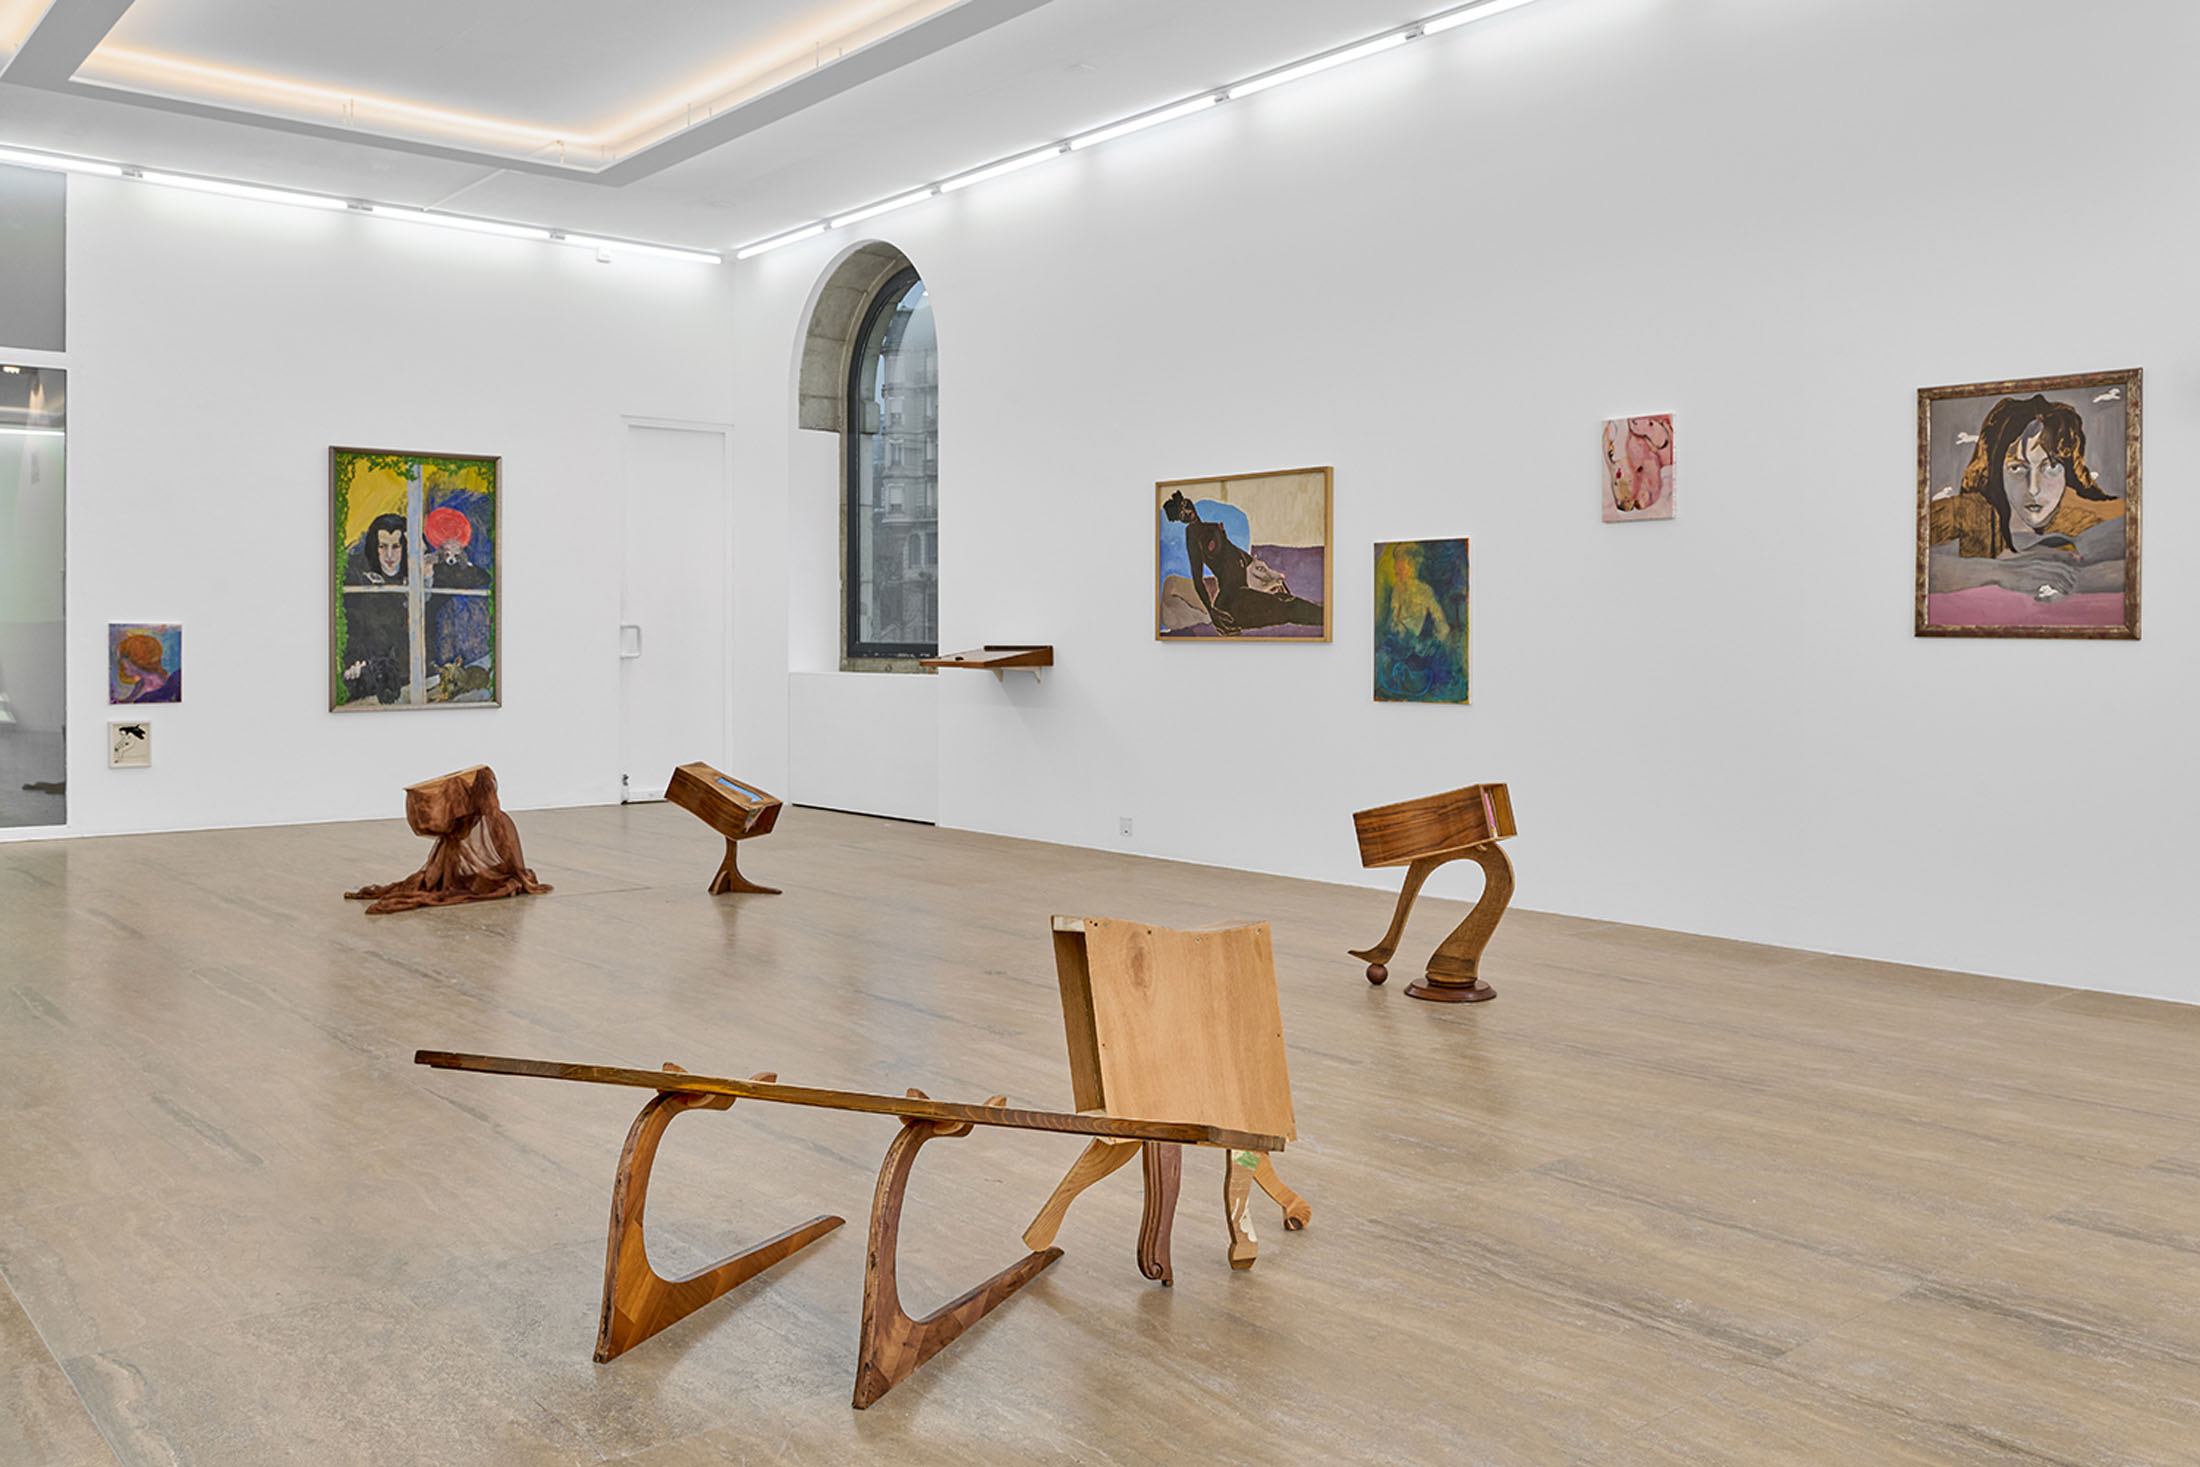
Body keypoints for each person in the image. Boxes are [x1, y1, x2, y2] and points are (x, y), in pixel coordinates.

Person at [1928, 395, 2125, 601]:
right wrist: (2002, 572)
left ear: (2068, 472)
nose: (2033, 489)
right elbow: (1911, 558)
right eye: (2016, 468)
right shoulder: (1966, 512)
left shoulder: (2079, 521)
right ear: (1997, 470)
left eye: (2051, 468)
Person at [1160, 490, 1323, 636]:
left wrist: (1268, 577)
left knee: (1288, 603)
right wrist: (1212, 613)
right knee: (1289, 609)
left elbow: (1235, 553)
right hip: (1231, 600)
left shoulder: (1212, 527)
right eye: (1181, 514)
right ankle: (1329, 619)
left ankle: (1327, 618)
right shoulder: (1193, 537)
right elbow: (1197, 580)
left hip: (1242, 590)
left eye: (1185, 505)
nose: (1188, 512)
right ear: (1180, 519)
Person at [342, 512, 411, 703]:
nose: (389, 555)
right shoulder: (356, 572)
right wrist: (353, 661)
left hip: (407, 675)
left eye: (396, 547)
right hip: (367, 673)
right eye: (383, 546)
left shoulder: (416, 571)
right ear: (375, 546)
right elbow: (350, 621)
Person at [423, 506, 489, 589]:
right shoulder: (434, 564)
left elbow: (484, 578)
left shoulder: (465, 568)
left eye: (455, 548)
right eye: (447, 552)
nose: (451, 546)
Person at [114, 631, 178, 703]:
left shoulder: (160, 688)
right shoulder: (141, 684)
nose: (120, 662)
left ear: (137, 657)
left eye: (124, 656)